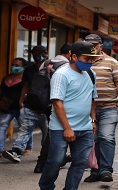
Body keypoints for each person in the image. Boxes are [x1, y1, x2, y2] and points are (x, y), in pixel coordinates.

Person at [39, 41, 100, 190]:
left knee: (80, 162)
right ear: (74, 56)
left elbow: (92, 99)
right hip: (61, 128)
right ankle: (46, 186)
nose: (90, 62)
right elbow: (57, 103)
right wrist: (67, 128)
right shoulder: (61, 74)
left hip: (85, 127)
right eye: (87, 59)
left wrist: (93, 120)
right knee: (56, 161)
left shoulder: (91, 74)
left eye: (93, 59)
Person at [83, 34, 118, 183]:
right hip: (88, 110)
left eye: (94, 44)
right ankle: (95, 171)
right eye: (89, 44)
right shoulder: (83, 62)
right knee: (92, 140)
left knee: (106, 137)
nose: (92, 47)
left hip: (108, 108)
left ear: (101, 46)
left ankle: (106, 170)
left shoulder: (111, 62)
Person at [2, 46, 49, 163]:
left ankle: (46, 153)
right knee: (25, 129)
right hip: (31, 105)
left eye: (40, 53)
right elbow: (26, 85)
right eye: (34, 53)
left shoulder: (52, 67)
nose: (37, 55)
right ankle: (16, 151)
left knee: (47, 131)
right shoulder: (29, 70)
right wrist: (21, 100)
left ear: (46, 54)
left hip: (47, 107)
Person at [34, 43, 73, 173]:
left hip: (45, 102)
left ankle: (47, 161)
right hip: (59, 103)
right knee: (56, 133)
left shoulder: (47, 62)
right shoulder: (66, 66)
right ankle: (45, 162)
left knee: (53, 132)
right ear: (70, 52)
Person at [0, 58, 33, 157]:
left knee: (25, 127)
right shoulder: (6, 76)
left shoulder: (25, 79)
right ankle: (0, 149)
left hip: (20, 107)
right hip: (6, 107)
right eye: (13, 64)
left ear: (24, 67)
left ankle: (28, 147)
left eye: (17, 65)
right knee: (2, 126)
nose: (14, 67)